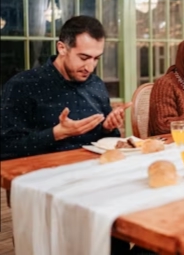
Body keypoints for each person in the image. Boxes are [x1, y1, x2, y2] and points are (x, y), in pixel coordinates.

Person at [0, 16, 131, 161]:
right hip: (44, 174)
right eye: (83, 57)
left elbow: (111, 141)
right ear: (62, 48)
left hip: (96, 169)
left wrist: (108, 128)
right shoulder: (22, 85)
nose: (90, 67)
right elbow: (6, 147)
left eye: (96, 58)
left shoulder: (96, 84)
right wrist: (56, 133)